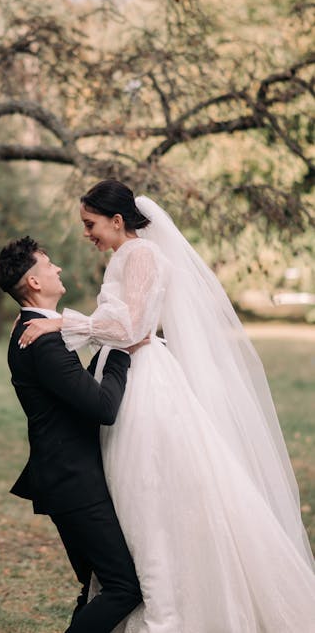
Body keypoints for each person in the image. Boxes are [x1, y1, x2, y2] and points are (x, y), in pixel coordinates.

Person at [18, 179, 315, 633]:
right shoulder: (125, 256)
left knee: (150, 490)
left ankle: (167, 609)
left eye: (90, 223)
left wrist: (62, 324)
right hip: (124, 372)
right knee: (133, 491)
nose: (87, 233)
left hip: (144, 381)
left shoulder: (141, 254)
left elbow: (131, 327)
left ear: (118, 221)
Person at [0, 236, 143, 633]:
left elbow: (73, 385)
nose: (57, 268)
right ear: (35, 282)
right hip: (72, 480)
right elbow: (103, 408)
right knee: (122, 588)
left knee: (94, 586)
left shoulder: (34, 329)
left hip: (64, 476)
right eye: (48, 263)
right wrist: (121, 352)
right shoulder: (41, 340)